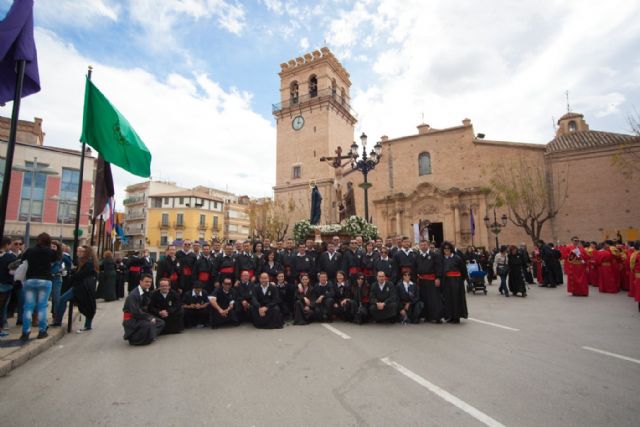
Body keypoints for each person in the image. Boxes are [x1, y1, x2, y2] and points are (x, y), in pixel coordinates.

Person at [19, 233, 57, 341]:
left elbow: (22, 262)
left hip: (30, 280)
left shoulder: (29, 251)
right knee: (42, 306)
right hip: (45, 280)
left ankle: (25, 332)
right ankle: (42, 331)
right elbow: (55, 261)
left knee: (28, 307)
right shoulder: (51, 252)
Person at [52, 245, 98, 333]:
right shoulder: (83, 262)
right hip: (81, 288)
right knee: (88, 305)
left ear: (86, 253)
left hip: (81, 288)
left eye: (81, 251)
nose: (79, 253)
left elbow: (80, 275)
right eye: (78, 251)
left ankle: (58, 321)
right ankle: (87, 325)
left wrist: (72, 274)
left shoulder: (88, 263)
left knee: (63, 299)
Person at [122, 273, 164, 345]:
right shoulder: (133, 295)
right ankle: (134, 338)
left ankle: (149, 335)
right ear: (140, 282)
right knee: (149, 324)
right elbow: (135, 312)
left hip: (141, 316)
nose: (148, 284)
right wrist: (149, 317)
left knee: (161, 323)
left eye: (150, 282)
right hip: (132, 319)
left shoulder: (145, 290)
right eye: (146, 281)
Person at [440, 241, 468, 324]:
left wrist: (460, 281)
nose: (446, 250)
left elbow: (463, 271)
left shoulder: (457, 258)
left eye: (448, 249)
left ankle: (457, 317)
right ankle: (450, 316)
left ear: (451, 249)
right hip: (446, 282)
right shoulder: (442, 259)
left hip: (456, 281)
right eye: (445, 249)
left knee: (456, 299)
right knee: (448, 299)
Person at [415, 239, 442, 322]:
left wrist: (438, 278)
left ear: (428, 245)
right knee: (424, 298)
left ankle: (436, 317)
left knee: (433, 299)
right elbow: (415, 268)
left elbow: (438, 267)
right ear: (419, 246)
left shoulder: (434, 255)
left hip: (431, 280)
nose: (423, 246)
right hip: (421, 280)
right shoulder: (417, 256)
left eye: (425, 245)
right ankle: (426, 316)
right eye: (422, 245)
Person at [0, 237, 17, 337]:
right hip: (5, 285)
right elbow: (12, 272)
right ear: (7, 245)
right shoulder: (10, 257)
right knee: (2, 307)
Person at [49, 241, 64, 318]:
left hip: (56, 278)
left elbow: (64, 266)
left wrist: (62, 269)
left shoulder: (60, 256)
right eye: (51, 246)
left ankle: (56, 314)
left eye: (54, 247)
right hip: (47, 278)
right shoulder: (47, 255)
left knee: (56, 298)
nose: (52, 248)